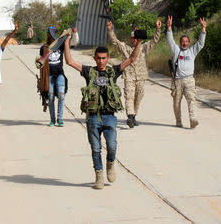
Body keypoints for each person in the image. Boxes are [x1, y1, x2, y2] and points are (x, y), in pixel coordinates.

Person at [64, 31, 142, 190]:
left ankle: (110, 164)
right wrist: (67, 43)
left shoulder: (113, 71)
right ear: (94, 58)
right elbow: (70, 61)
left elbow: (132, 59)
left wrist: (139, 42)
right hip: (93, 118)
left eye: (103, 58)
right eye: (98, 58)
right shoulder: (88, 72)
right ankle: (99, 176)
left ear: (107, 58)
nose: (101, 61)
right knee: (96, 149)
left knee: (112, 146)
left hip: (109, 117)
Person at [107, 18, 162, 128]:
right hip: (129, 76)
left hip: (141, 76)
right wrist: (110, 30)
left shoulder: (144, 47)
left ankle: (134, 115)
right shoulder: (125, 47)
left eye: (136, 38)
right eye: (132, 38)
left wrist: (158, 29)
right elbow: (115, 41)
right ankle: (130, 116)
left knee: (139, 96)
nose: (134, 40)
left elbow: (154, 40)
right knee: (129, 96)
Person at [166, 15, 206, 129]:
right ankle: (178, 121)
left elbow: (200, 44)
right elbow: (170, 41)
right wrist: (169, 27)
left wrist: (203, 29)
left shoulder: (192, 51)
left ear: (189, 43)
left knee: (191, 100)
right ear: (180, 43)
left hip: (189, 80)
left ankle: (193, 119)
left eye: (186, 41)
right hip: (177, 81)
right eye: (183, 41)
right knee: (176, 104)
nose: (184, 43)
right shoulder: (176, 51)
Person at [39, 26, 78, 127]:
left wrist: (73, 34)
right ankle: (52, 120)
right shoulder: (44, 47)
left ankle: (60, 118)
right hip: (49, 76)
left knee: (61, 95)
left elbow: (73, 43)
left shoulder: (60, 44)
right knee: (51, 97)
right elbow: (40, 62)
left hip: (60, 74)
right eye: (49, 33)